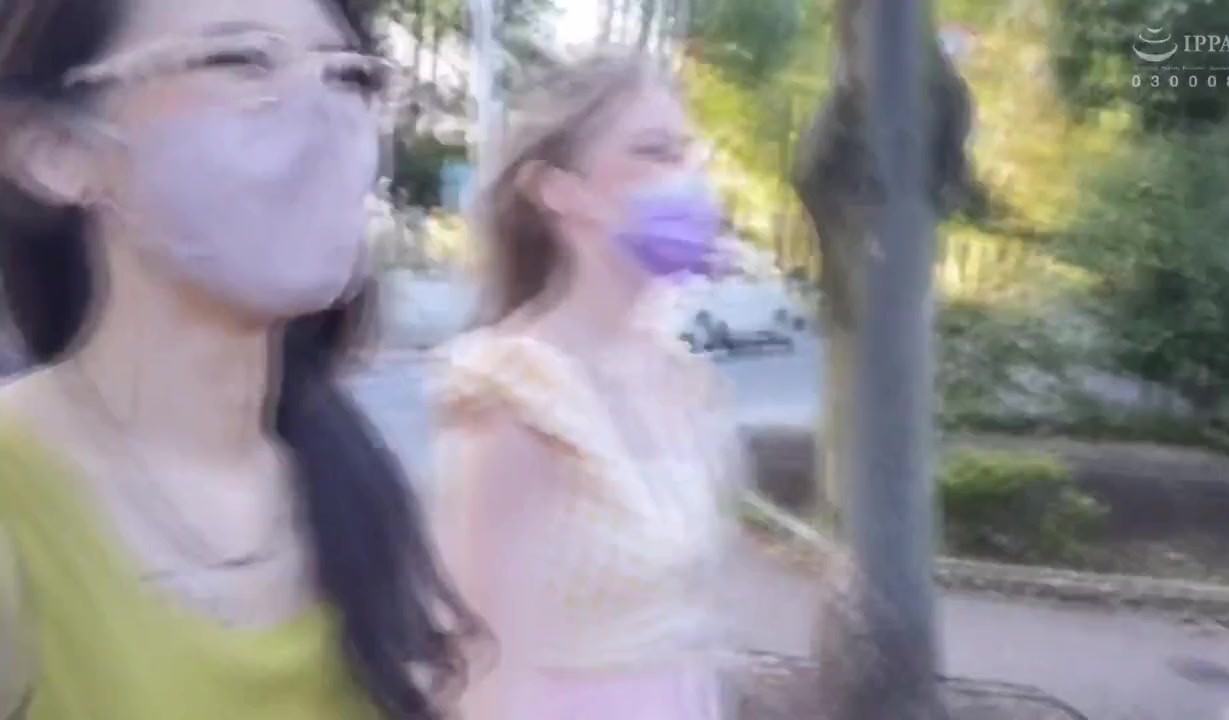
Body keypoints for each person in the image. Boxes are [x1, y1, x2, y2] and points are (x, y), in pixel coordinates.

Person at [0, 1, 476, 718]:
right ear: (56, 153)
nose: (322, 114)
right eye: (242, 60)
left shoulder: (350, 482)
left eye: (347, 76)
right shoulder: (20, 500)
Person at [430, 53, 747, 720]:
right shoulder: (513, 395)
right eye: (654, 152)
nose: (687, 179)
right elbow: (479, 666)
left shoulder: (682, 379)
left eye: (687, 153)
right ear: (559, 191)